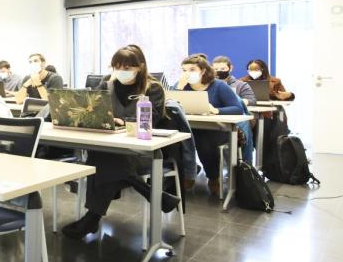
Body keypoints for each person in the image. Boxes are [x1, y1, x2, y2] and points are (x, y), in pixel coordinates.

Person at [62, 47, 179, 240]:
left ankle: (92, 218)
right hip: (113, 149)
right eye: (116, 66)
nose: (120, 70)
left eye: (126, 67)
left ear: (139, 67)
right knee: (105, 156)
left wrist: (123, 122)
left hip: (142, 151)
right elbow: (94, 109)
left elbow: (153, 119)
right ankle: (154, 195)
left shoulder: (153, 88)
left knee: (102, 159)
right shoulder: (106, 84)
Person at [176, 54, 245, 194]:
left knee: (204, 140)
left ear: (202, 70)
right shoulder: (182, 86)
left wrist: (216, 110)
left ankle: (213, 177)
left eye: (192, 69)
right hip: (191, 128)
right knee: (178, 140)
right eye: (184, 70)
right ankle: (189, 172)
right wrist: (179, 88)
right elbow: (172, 105)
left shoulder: (218, 86)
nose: (187, 74)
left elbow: (238, 108)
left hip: (218, 130)